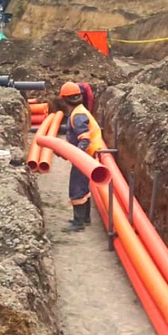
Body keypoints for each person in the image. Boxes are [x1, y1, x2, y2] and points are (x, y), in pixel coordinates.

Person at [56, 81, 105, 232]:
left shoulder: (78, 115)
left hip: (85, 156)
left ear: (64, 99)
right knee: (83, 185)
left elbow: (84, 139)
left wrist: (76, 155)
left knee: (76, 186)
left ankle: (78, 222)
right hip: (88, 155)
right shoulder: (79, 110)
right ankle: (86, 218)